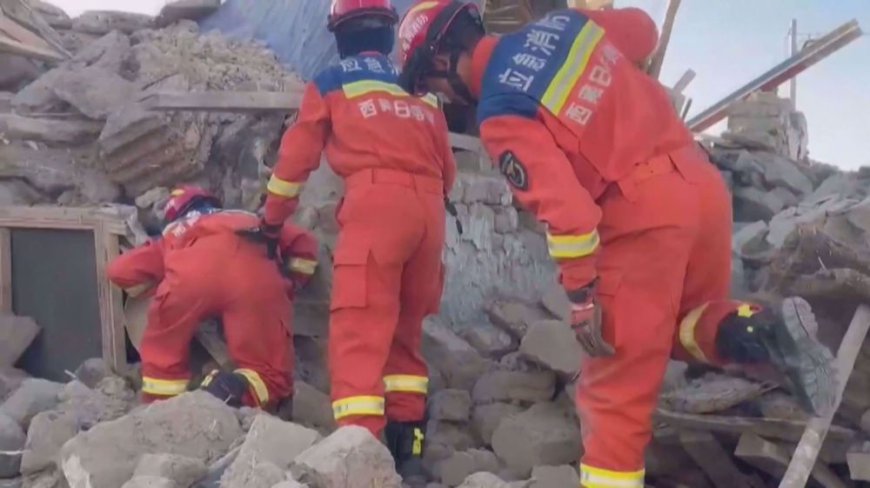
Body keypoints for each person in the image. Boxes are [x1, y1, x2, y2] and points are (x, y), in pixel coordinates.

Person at [396, 2, 836, 486]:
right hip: (701, 187)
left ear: (442, 60)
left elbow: (570, 214)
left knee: (613, 401)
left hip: (642, 217)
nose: (436, 94)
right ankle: (769, 330)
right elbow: (644, 33)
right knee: (680, 329)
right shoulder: (565, 27)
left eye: (427, 82)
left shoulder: (501, 110)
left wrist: (583, 298)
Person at [256, 0, 456, 481]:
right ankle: (409, 455)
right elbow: (448, 169)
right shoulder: (422, 91)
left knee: (358, 336)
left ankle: (361, 459)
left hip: (375, 207)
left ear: (338, 34)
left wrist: (271, 220)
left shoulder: (330, 82)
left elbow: (294, 162)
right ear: (389, 34)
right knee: (406, 338)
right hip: (429, 213)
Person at [107, 186, 318, 416]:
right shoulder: (247, 219)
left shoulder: (173, 233)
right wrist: (290, 284)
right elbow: (304, 243)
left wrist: (160, 276)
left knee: (163, 350)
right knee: (270, 373)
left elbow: (119, 271)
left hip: (189, 282)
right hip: (253, 280)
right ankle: (228, 392)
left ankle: (162, 412)